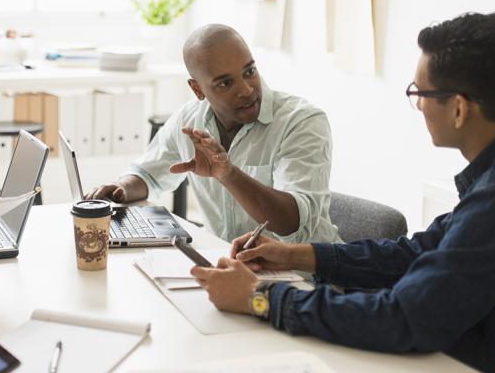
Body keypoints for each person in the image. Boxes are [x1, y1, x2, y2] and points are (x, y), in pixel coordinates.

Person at [192, 12, 495, 373]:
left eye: (419, 93)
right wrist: (300, 254)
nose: (416, 105)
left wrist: (261, 298)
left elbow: (404, 319)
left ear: (458, 107)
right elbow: (422, 250)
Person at [89, 23, 340, 243]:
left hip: (303, 280)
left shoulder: (302, 122)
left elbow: (293, 226)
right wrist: (121, 187)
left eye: (249, 72)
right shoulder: (189, 120)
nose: (245, 90)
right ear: (197, 89)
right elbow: (147, 175)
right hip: (230, 269)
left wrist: (228, 174)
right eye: (225, 83)